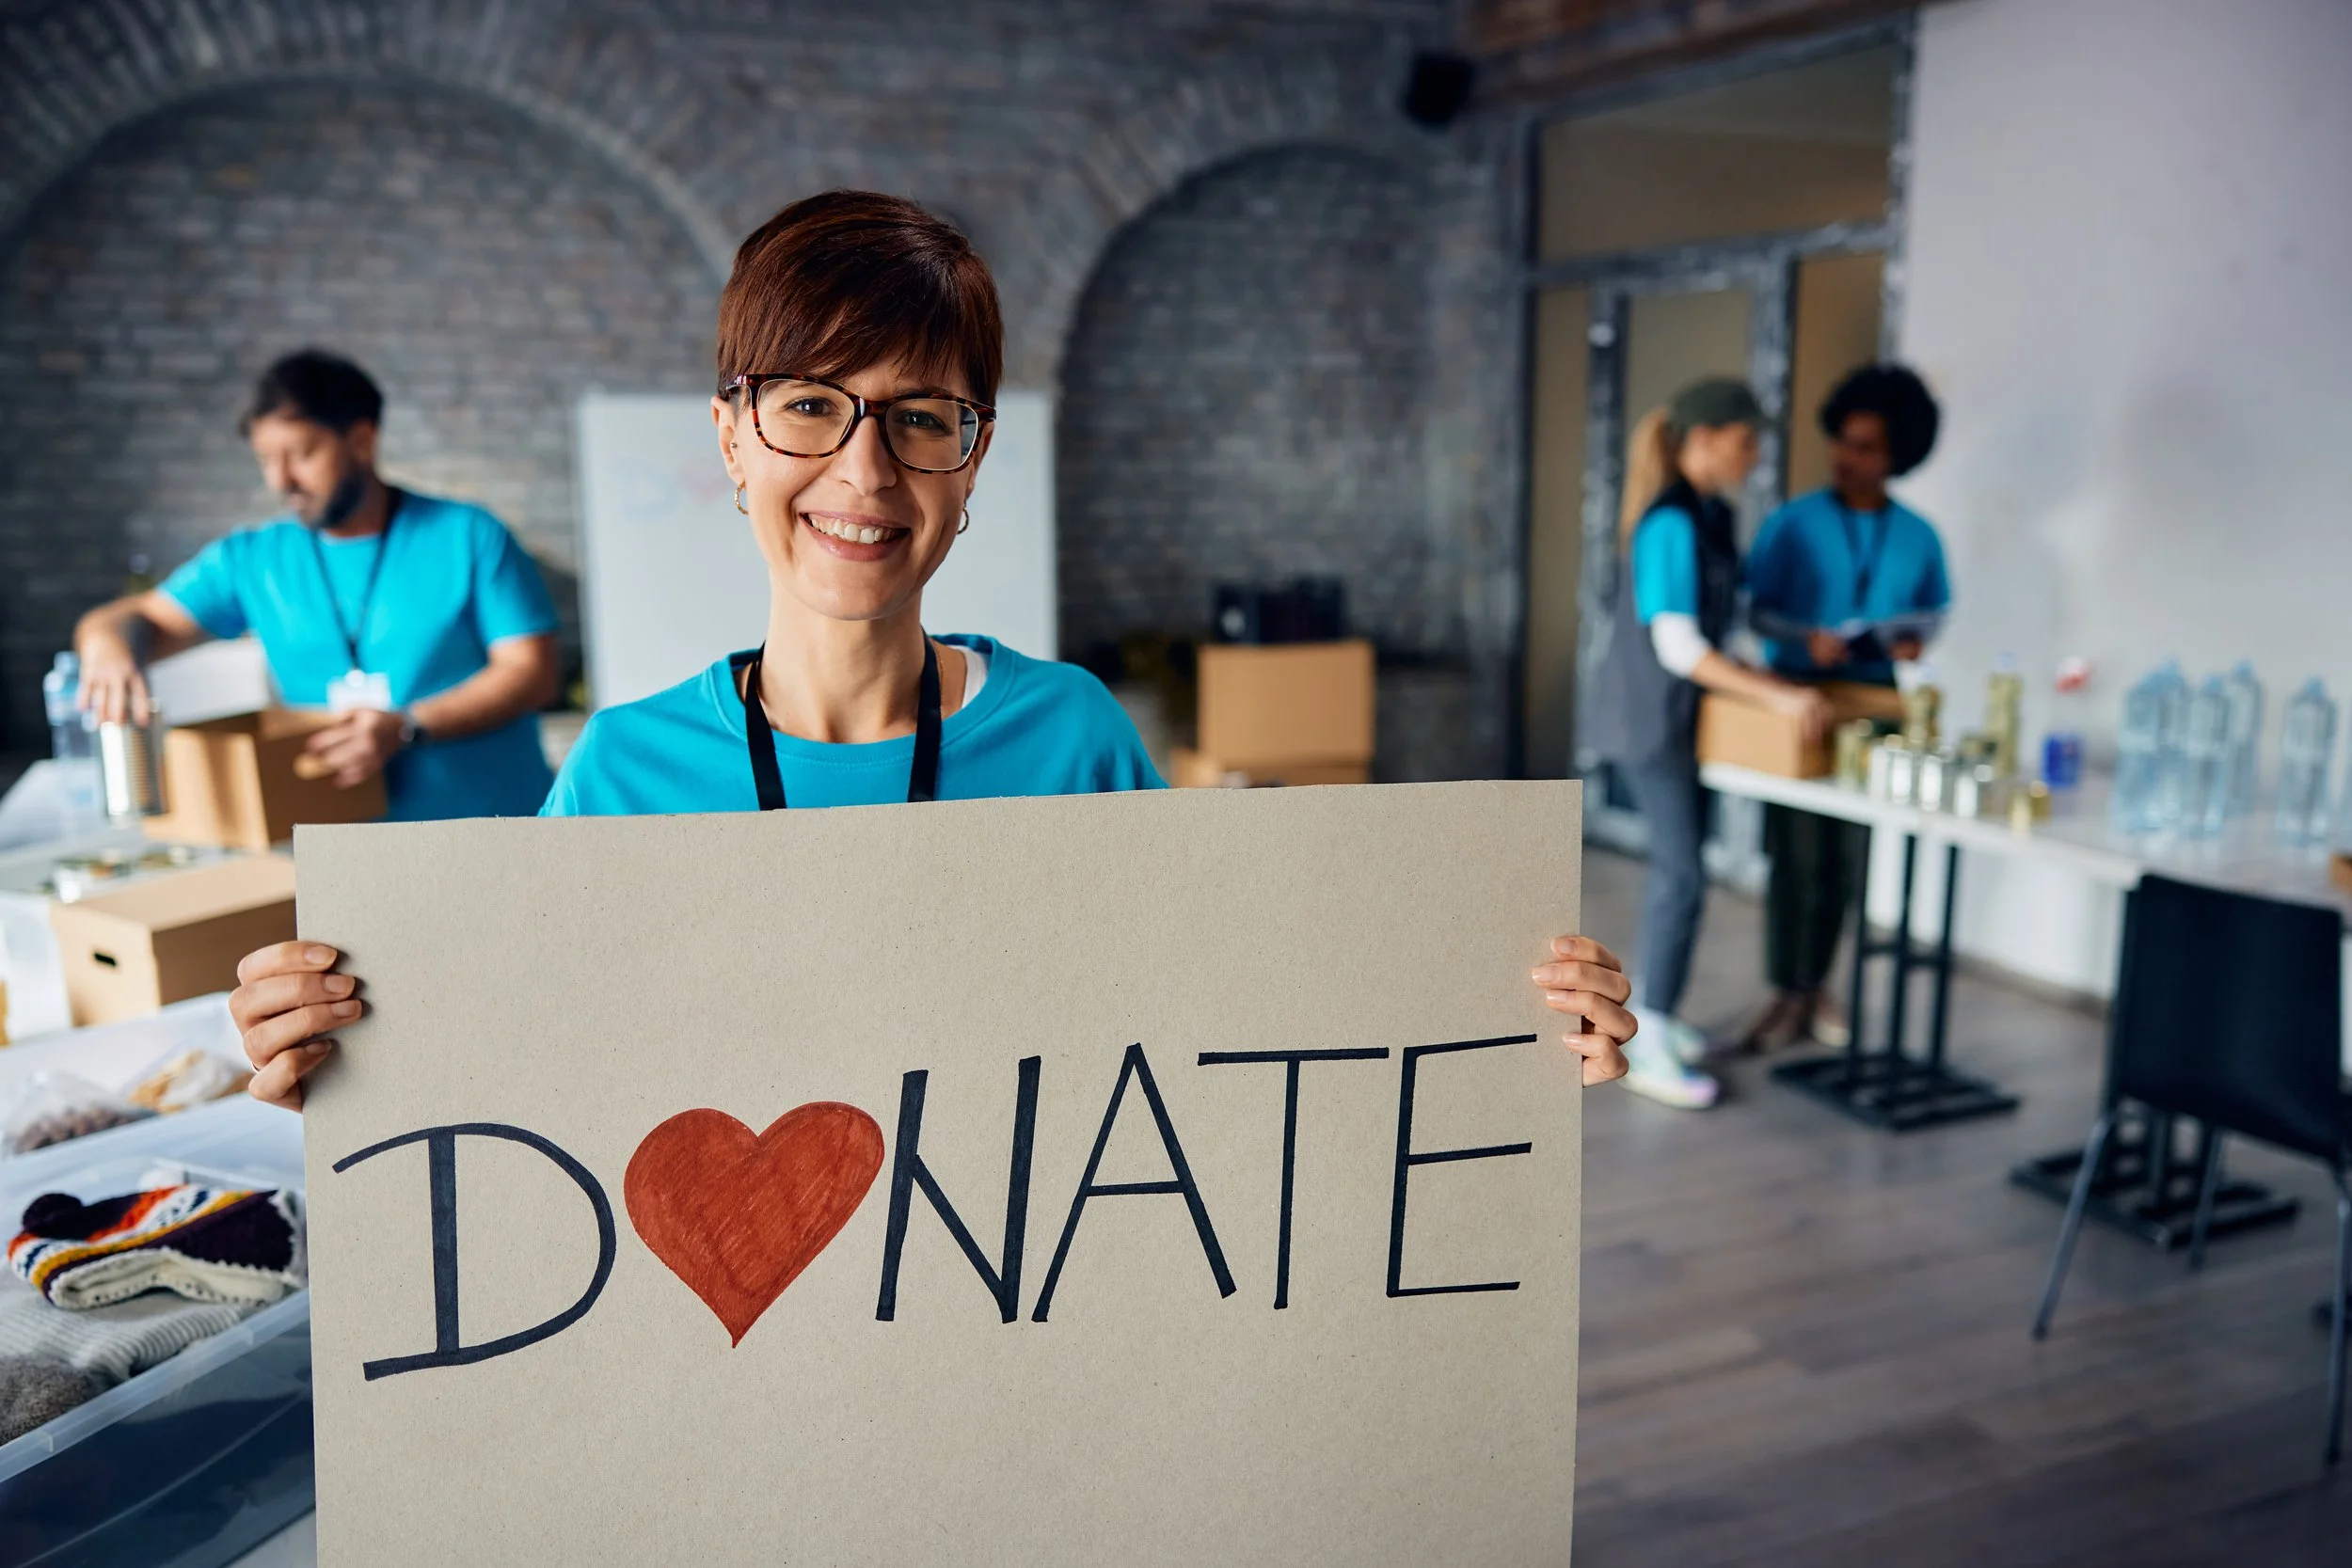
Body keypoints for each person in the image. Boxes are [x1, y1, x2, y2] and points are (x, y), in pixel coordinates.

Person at [217, 191, 1641, 1110]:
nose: (865, 471)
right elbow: (521, 1072)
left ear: (972, 463)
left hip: (1024, 1354)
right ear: (729, 434)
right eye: (809, 406)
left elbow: (1222, 1008)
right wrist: (338, 1048)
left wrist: (1490, 1004)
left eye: (921, 417)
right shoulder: (623, 768)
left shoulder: (1074, 733)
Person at [73, 350, 562, 820]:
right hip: (345, 844)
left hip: (494, 826)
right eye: (266, 459)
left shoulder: (468, 535)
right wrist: (108, 645)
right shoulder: (251, 559)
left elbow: (533, 672)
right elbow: (127, 621)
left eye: (301, 453)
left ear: (362, 441)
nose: (281, 480)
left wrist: (410, 727)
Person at [1584, 378, 1833, 1110]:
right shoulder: (1668, 524)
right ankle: (1648, 1033)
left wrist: (1795, 642)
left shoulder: (1713, 517)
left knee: (1683, 870)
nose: (1756, 455)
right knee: (1681, 874)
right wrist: (1780, 693)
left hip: (1684, 720)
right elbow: (1680, 644)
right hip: (1649, 718)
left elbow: (1737, 614)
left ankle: (1662, 1012)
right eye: (1745, 440)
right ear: (1701, 438)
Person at [1742, 364, 1949, 1053]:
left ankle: (1819, 984)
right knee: (1796, 854)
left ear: (1897, 456)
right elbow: (1758, 611)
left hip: (1875, 701)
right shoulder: (1792, 522)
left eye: (1866, 446)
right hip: (1799, 699)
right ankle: (1785, 987)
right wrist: (1805, 637)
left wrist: (1916, 639)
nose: (1848, 457)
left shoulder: (1919, 536)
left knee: (1846, 856)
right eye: (1844, 441)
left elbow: (1932, 610)